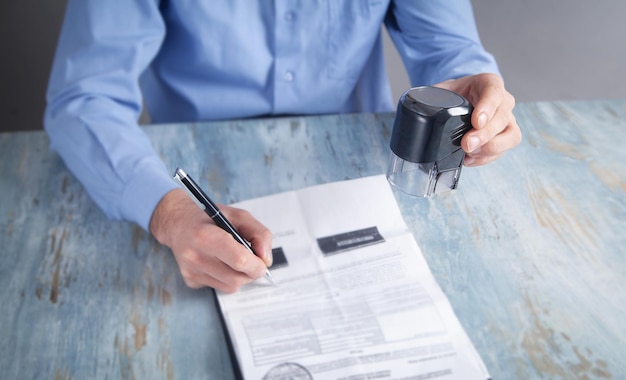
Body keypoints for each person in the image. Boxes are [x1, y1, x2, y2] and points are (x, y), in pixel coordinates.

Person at [44, 1, 521, 293]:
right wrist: (166, 213)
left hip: (361, 167)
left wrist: (477, 93)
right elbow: (84, 97)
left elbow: (449, 48)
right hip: (193, 161)